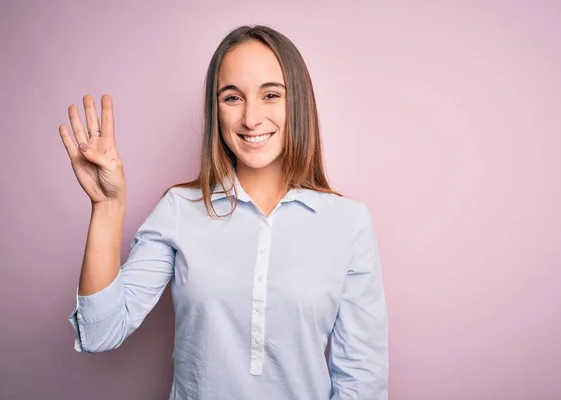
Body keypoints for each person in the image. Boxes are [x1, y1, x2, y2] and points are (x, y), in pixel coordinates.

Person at [59, 25, 389, 400]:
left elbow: (362, 380)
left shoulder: (348, 223)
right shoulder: (179, 210)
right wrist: (106, 207)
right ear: (215, 110)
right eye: (232, 97)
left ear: (297, 102)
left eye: (270, 95)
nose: (251, 118)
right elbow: (101, 333)